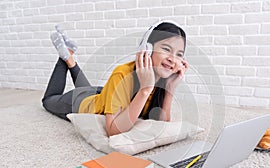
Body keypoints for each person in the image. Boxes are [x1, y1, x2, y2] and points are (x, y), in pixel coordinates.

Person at [42, 21, 188, 136]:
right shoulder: (123, 74)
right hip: (80, 103)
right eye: (166, 49)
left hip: (101, 95)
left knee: (86, 89)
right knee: (48, 100)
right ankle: (65, 57)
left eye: (179, 54)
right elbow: (113, 130)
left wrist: (169, 88)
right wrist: (145, 90)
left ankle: (69, 55)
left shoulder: (162, 79)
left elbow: (162, 122)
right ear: (147, 49)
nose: (173, 59)